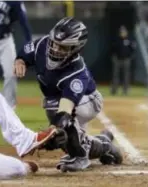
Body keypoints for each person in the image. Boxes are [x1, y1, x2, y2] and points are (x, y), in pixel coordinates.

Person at [14, 17, 123, 172]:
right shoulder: (42, 45)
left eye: (63, 47)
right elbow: (25, 53)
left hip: (88, 101)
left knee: (60, 123)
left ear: (75, 49)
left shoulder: (76, 72)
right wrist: (20, 61)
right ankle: (105, 145)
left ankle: (80, 157)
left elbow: (65, 110)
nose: (56, 49)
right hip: (64, 100)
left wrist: (51, 132)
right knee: (70, 141)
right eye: (55, 44)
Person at [111, 25, 135, 96]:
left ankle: (126, 90)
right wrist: (114, 57)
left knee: (126, 75)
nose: (122, 33)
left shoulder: (129, 40)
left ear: (126, 32)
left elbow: (132, 49)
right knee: (115, 75)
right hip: (117, 59)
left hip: (126, 59)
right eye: (121, 32)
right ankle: (114, 90)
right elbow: (113, 49)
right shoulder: (117, 40)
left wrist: (130, 57)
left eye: (124, 32)